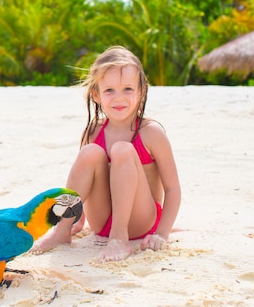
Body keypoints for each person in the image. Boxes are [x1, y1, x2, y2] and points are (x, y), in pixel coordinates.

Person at [31, 45, 181, 261]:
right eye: (109, 90)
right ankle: (61, 232)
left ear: (142, 91)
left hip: (141, 220)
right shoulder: (94, 132)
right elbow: (83, 180)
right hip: (101, 222)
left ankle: (119, 239)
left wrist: (161, 234)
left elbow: (173, 188)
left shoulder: (151, 133)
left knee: (123, 150)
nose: (118, 98)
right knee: (90, 152)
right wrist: (78, 221)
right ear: (96, 94)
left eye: (128, 89)